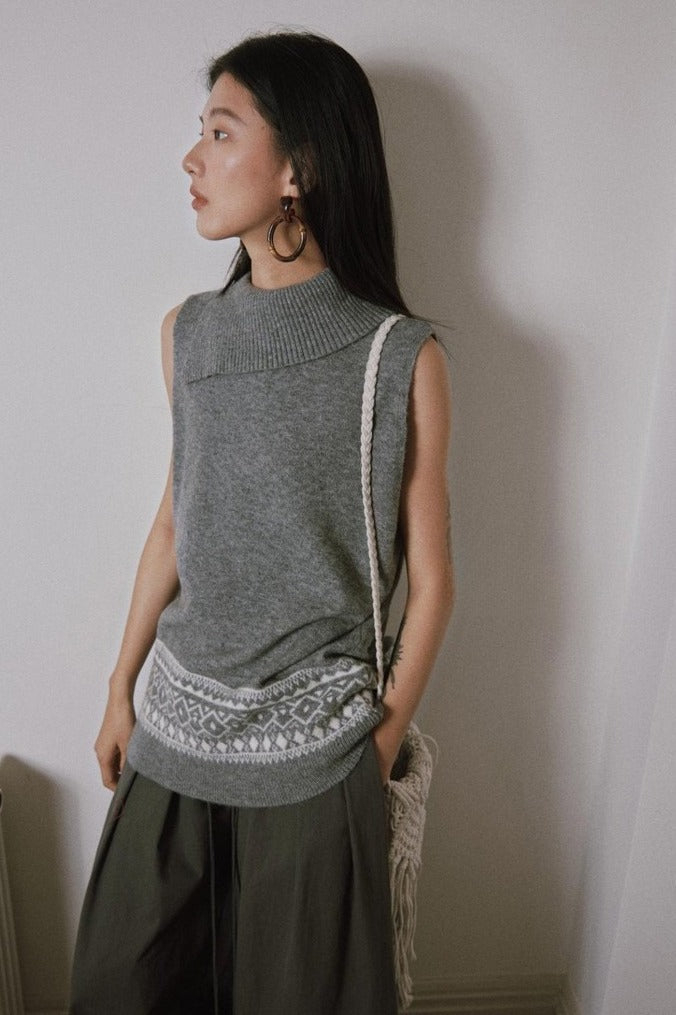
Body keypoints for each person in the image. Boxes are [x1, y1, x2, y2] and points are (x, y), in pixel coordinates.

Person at [69, 28, 454, 1015]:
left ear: (298, 169)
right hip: (175, 730)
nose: (191, 159)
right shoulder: (188, 334)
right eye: (200, 131)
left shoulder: (397, 357)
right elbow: (175, 524)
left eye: (220, 132)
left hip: (319, 756)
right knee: (122, 985)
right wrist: (118, 689)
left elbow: (434, 581)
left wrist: (376, 748)